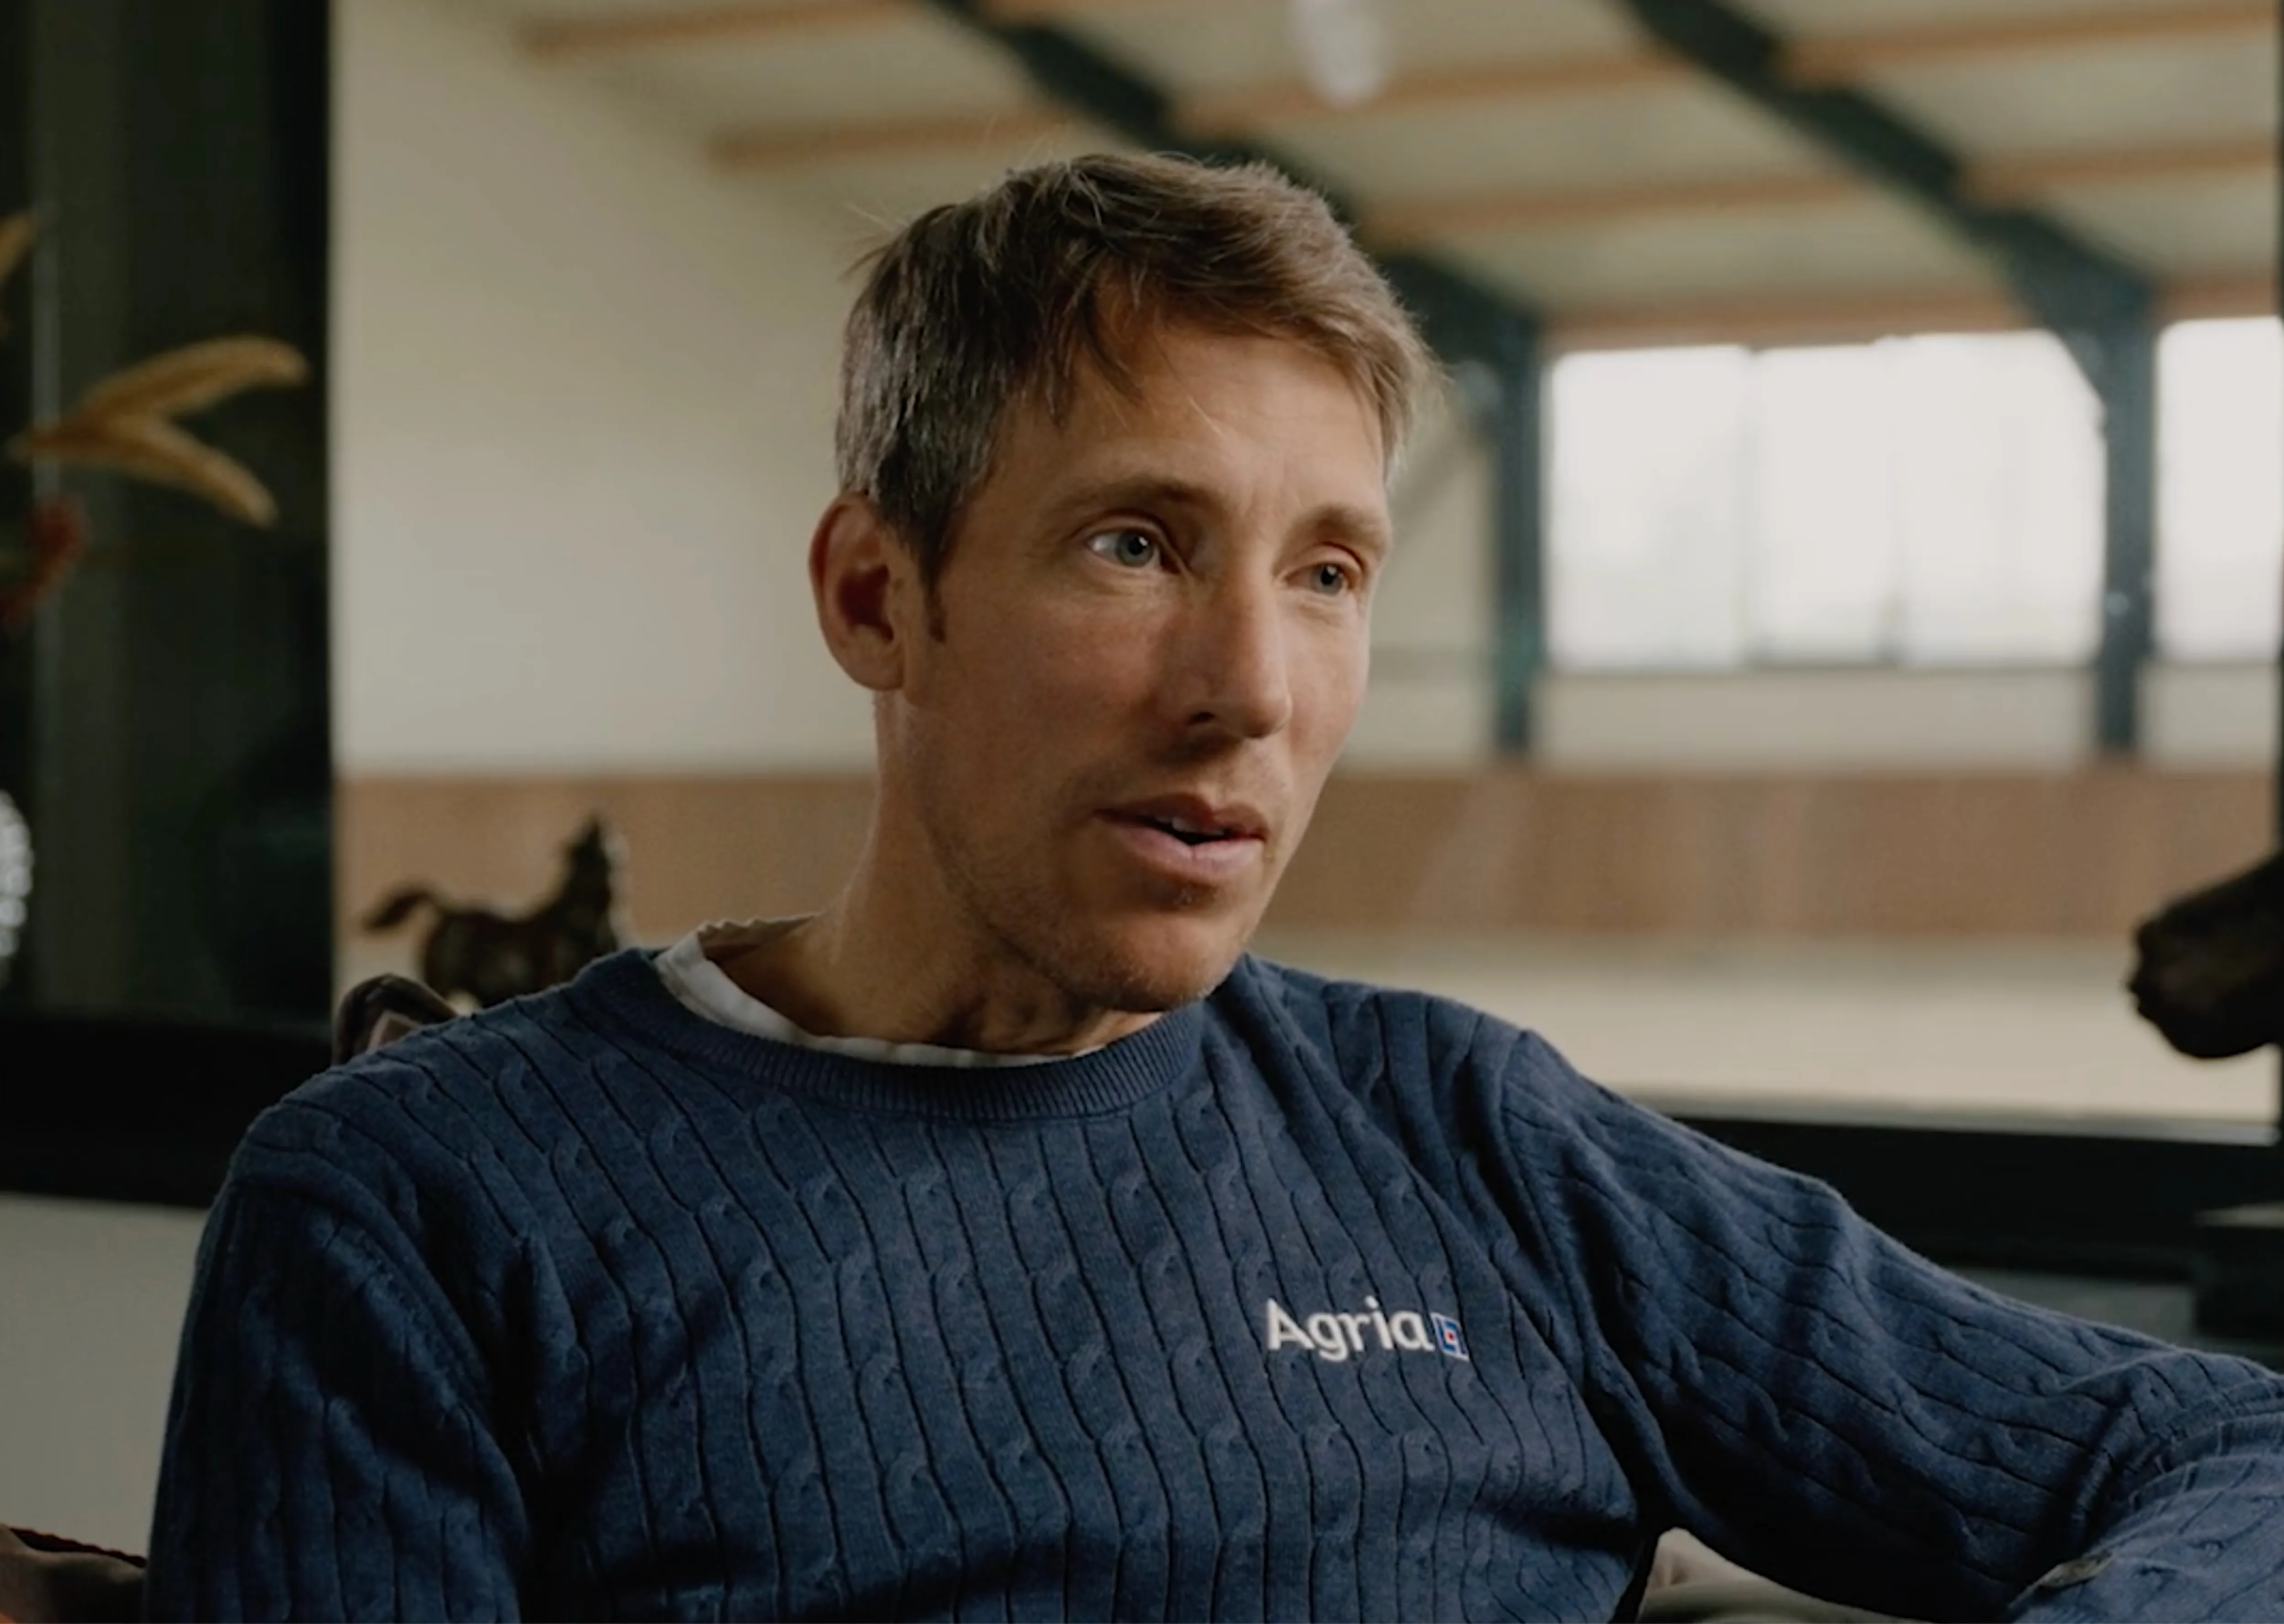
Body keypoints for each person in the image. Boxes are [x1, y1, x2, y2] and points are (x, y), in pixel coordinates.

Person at [146, 152, 2284, 1622]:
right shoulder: (421, 1206)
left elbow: (2222, 1453)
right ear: (879, 595)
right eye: (1134, 545)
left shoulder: (1471, 1144)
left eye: (1326, 573)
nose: (1248, 690)